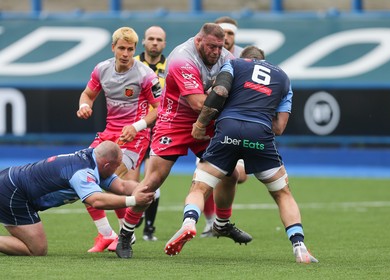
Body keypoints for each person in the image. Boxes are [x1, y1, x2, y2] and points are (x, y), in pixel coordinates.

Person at [164, 46, 318, 263]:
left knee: (200, 187)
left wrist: (201, 123)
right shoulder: (283, 78)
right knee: (283, 194)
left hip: (228, 129)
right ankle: (299, 247)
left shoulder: (234, 64)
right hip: (260, 133)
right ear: (263, 60)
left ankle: (189, 223)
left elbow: (220, 92)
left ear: (244, 58)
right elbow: (279, 128)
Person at [115, 23, 252, 259]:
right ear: (199, 41)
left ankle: (221, 222)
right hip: (174, 122)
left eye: (220, 47)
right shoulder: (182, 58)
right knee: (152, 183)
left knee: (230, 173)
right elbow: (199, 103)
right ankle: (125, 234)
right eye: (211, 46)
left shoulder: (226, 57)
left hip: (207, 123)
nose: (216, 52)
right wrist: (222, 93)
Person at [76, 27, 162, 252]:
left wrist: (137, 126)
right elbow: (88, 94)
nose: (125, 53)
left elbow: (159, 108)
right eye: (121, 48)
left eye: (130, 49)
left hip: (136, 135)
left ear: (135, 49)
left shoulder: (145, 74)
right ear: (113, 47)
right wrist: (85, 105)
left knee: (111, 178)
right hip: (109, 133)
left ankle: (126, 233)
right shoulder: (102, 69)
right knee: (82, 175)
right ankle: (106, 234)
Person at [0, 141, 155, 256]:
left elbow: (121, 186)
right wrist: (134, 201)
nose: (117, 170)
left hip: (12, 183)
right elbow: (96, 201)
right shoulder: (82, 172)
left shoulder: (94, 160)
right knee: (36, 250)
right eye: (116, 166)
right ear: (107, 165)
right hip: (12, 192)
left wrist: (143, 189)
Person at [200, 16, 247, 238]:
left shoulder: (243, 57)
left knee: (238, 175)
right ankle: (212, 223)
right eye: (223, 34)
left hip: (234, 124)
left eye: (230, 35)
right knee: (207, 174)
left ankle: (219, 219)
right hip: (210, 124)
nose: (227, 38)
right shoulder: (204, 55)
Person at [132, 25, 167, 241]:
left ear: (164, 44)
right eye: (151, 39)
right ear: (143, 42)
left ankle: (149, 229)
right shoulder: (131, 63)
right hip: (134, 129)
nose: (154, 42)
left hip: (160, 130)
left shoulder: (172, 67)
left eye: (159, 39)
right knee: (131, 181)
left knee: (153, 179)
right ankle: (134, 219)